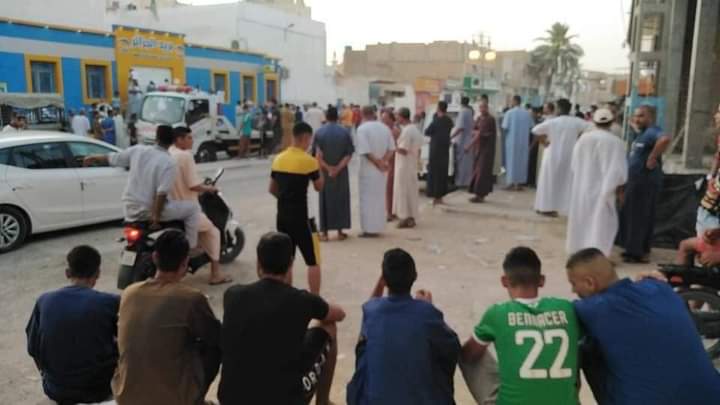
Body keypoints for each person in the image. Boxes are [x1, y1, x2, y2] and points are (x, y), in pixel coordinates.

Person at [566, 248, 720, 405]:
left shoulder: (592, 309)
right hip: (712, 396)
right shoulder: (659, 287)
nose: (573, 290)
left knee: (585, 346)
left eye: (573, 284)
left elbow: (560, 314)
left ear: (590, 283)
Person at [220, 232, 346, 405]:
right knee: (329, 326)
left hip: (232, 399)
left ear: (258, 263)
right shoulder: (302, 300)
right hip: (286, 399)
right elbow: (339, 314)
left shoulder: (232, 295)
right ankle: (323, 402)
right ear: (291, 263)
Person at [112, 230, 221, 405]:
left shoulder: (129, 293)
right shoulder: (190, 298)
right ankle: (195, 399)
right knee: (214, 346)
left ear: (155, 257)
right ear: (185, 262)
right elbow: (215, 337)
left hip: (125, 395)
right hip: (174, 399)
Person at [462, 247, 580, 405]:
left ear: (504, 281)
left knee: (471, 349)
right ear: (542, 280)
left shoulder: (497, 314)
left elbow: (468, 355)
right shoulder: (566, 308)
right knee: (577, 344)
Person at [347, 248, 460, 405]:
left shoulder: (372, 310)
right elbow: (453, 347)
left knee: (365, 346)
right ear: (415, 276)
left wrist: (381, 282)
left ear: (384, 280)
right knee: (436, 349)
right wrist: (428, 306)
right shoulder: (426, 313)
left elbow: (369, 311)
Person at [26, 246, 119, 405]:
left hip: (56, 390)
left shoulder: (44, 301)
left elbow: (33, 349)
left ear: (67, 273)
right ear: (97, 273)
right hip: (99, 389)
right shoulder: (110, 302)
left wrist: (48, 377)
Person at [83, 125, 202, 248]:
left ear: (156, 138)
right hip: (148, 211)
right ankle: (190, 247)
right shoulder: (169, 162)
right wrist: (155, 218)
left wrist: (94, 157)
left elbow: (114, 158)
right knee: (193, 208)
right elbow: (161, 193)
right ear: (172, 141)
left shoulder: (138, 150)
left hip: (129, 210)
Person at [169, 126, 233, 285]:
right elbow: (193, 185)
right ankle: (215, 274)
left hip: (169, 208)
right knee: (213, 232)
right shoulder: (185, 156)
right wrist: (210, 188)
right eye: (189, 138)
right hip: (187, 210)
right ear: (179, 139)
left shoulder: (168, 153)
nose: (192, 141)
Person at [270, 122, 325, 294]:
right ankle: (315, 299)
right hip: (303, 219)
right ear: (306, 138)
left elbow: (272, 189)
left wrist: (285, 199)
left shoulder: (278, 159)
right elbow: (319, 186)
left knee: (287, 260)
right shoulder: (309, 161)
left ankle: (286, 296)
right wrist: (318, 163)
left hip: (282, 216)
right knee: (313, 261)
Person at [567, 109, 628, 257]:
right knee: (602, 224)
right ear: (612, 122)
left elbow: (574, 165)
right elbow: (619, 171)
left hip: (582, 187)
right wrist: (620, 191)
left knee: (581, 220)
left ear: (594, 122)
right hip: (605, 190)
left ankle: (578, 253)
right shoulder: (617, 142)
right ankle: (599, 256)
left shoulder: (583, 139)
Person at [617, 105, 671, 263]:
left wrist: (652, 157)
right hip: (635, 181)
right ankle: (636, 249)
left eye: (641, 116)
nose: (637, 119)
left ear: (650, 117)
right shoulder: (641, 134)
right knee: (633, 216)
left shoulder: (653, 131)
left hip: (644, 182)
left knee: (639, 217)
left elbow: (665, 139)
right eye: (635, 116)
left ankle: (636, 253)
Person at [531, 98, 590, 217]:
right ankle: (558, 207)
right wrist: (578, 139)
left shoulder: (553, 122)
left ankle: (543, 207)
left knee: (547, 181)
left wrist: (544, 142)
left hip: (551, 155)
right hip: (569, 156)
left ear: (558, 109)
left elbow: (535, 130)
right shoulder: (577, 122)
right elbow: (589, 128)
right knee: (564, 182)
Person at [313, 106, 354, 241]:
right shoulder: (345, 132)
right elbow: (349, 154)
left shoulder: (319, 133)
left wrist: (328, 168)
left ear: (326, 116)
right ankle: (340, 232)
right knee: (341, 199)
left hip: (324, 172)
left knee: (325, 200)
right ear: (337, 117)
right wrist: (337, 168)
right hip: (341, 172)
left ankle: (324, 233)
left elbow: (317, 155)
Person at [357, 106, 396, 237]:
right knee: (379, 199)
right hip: (381, 171)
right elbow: (391, 149)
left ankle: (369, 230)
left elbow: (365, 151)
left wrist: (377, 163)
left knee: (367, 200)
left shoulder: (362, 129)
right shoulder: (385, 128)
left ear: (362, 114)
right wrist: (383, 161)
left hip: (368, 169)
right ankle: (378, 227)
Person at [393, 107, 424, 229]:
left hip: (404, 165)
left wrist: (393, 144)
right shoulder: (414, 129)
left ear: (402, 117)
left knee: (402, 191)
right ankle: (411, 217)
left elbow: (403, 150)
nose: (396, 118)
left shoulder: (407, 131)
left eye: (397, 116)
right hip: (411, 164)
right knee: (410, 191)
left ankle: (404, 217)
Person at [467, 100, 497, 203]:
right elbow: (473, 130)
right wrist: (476, 133)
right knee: (476, 171)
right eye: (480, 107)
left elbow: (480, 134)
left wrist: (469, 146)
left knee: (482, 172)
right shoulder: (479, 118)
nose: (482, 109)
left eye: (484, 107)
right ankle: (478, 194)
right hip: (478, 148)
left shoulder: (490, 119)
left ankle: (480, 195)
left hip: (487, 150)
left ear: (487, 108)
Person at [425, 101, 454, 205]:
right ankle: (440, 197)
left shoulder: (436, 120)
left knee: (434, 174)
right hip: (444, 150)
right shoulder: (449, 120)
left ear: (438, 108)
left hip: (435, 150)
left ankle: (435, 198)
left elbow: (427, 131)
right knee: (442, 174)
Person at [502, 95, 534, 190]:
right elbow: (531, 127)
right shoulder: (527, 113)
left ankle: (511, 183)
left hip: (511, 142)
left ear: (515, 101)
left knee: (511, 162)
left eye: (512, 100)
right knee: (522, 162)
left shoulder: (509, 113)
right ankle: (519, 184)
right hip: (523, 142)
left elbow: (505, 127)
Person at [382, 110, 401, 222]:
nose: (383, 120)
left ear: (390, 119)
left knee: (390, 188)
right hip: (388, 162)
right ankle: (390, 211)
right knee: (389, 188)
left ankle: (390, 212)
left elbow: (393, 149)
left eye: (385, 118)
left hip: (393, 162)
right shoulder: (387, 131)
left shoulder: (394, 131)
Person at [452, 96, 475, 187]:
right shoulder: (470, 111)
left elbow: (460, 128)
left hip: (462, 140)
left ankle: (461, 182)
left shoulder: (463, 112)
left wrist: (451, 136)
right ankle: (467, 182)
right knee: (468, 163)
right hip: (469, 140)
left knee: (461, 163)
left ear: (461, 103)